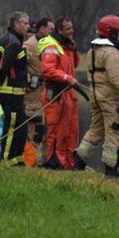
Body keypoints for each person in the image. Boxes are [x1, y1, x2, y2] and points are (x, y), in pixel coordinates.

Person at [75, 15, 119, 179]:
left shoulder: (92, 51)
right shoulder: (112, 53)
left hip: (96, 96)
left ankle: (79, 163)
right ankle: (111, 171)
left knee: (95, 130)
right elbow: (116, 78)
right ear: (112, 33)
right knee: (113, 132)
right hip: (110, 99)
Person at [39, 16, 84, 169]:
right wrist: (67, 78)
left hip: (68, 93)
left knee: (72, 130)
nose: (72, 31)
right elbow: (48, 70)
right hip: (56, 93)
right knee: (56, 129)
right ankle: (55, 162)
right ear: (60, 30)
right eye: (68, 29)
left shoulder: (67, 45)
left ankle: (70, 163)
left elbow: (75, 64)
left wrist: (74, 48)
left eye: (72, 27)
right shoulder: (51, 45)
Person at [0, 11, 30, 166]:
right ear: (15, 24)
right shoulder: (12, 42)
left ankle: (17, 158)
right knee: (12, 126)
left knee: (21, 128)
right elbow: (2, 66)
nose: (27, 26)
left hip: (17, 92)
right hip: (10, 91)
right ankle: (7, 160)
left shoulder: (14, 41)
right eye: (24, 23)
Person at [23, 18, 52, 165]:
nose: (52, 33)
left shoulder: (51, 45)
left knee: (47, 128)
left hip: (47, 92)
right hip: (33, 95)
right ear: (41, 29)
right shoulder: (29, 45)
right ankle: (33, 162)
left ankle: (45, 161)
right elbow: (19, 65)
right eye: (50, 29)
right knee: (36, 128)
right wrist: (28, 80)